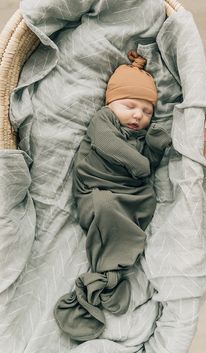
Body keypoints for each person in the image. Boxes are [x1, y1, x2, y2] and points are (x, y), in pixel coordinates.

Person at [53, 50, 172, 342]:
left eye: (146, 112)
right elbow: (110, 147)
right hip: (95, 189)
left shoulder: (139, 137)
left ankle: (108, 274)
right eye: (130, 106)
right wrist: (141, 162)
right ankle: (109, 272)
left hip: (129, 193)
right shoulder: (102, 121)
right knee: (104, 209)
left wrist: (155, 145)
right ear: (112, 103)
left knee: (142, 205)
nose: (138, 115)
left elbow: (148, 168)